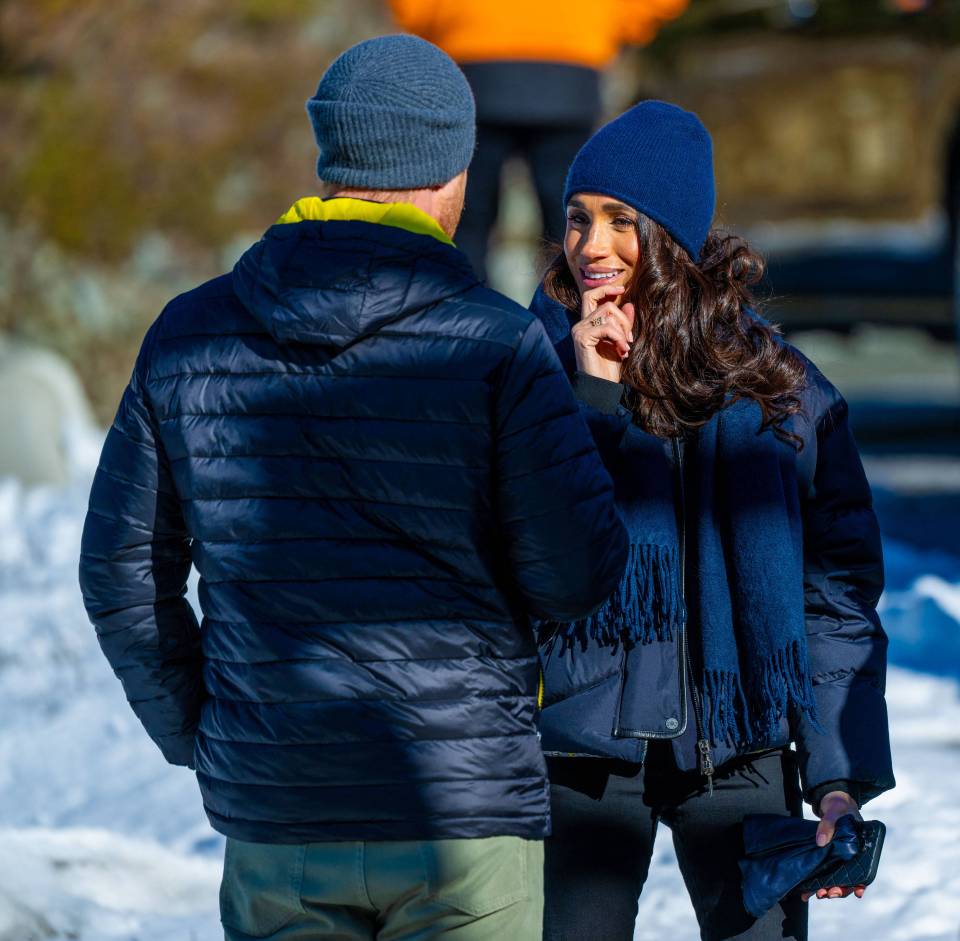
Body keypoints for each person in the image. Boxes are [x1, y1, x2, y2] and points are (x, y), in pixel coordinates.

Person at [78, 35, 629, 941]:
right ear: (455, 169)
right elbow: (574, 575)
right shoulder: (497, 344)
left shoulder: (188, 332)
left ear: (330, 159)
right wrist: (598, 409)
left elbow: (120, 572)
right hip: (463, 814)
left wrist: (205, 730)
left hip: (278, 802)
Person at [529, 101, 896, 941]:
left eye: (622, 220)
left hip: (739, 747)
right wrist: (590, 404)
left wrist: (840, 777)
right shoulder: (530, 372)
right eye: (578, 219)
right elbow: (535, 556)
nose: (591, 245)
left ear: (673, 235)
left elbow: (835, 594)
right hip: (577, 750)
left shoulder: (780, 390)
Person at [389, 0, 688, 280]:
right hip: (572, 63)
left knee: (465, 221)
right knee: (574, 220)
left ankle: (462, 320)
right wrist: (617, 19)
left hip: (476, 59)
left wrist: (437, 19)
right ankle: (566, 323)